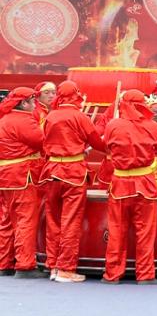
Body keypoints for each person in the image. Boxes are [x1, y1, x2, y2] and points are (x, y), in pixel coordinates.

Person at [40, 81, 107, 283]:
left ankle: (52, 265)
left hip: (51, 171)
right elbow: (98, 143)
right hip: (73, 173)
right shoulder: (80, 116)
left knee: (53, 220)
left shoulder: (50, 116)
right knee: (70, 221)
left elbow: (44, 141)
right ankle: (65, 269)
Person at [101, 90, 157, 285]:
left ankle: (112, 273)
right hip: (144, 183)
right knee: (145, 231)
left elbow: (106, 148)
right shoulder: (152, 126)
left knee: (116, 230)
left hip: (120, 184)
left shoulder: (113, 125)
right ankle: (145, 274)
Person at [0, 87, 46, 278]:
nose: (35, 105)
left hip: (6, 175)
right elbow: (41, 141)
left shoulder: (4, 120)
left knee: (7, 220)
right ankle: (25, 265)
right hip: (22, 175)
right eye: (32, 102)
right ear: (24, 103)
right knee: (26, 220)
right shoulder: (24, 120)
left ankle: (5, 261)